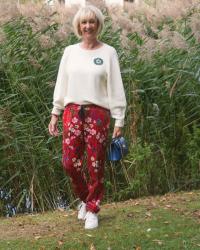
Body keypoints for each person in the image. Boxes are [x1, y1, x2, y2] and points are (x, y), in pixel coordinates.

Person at [48, 5, 126, 230]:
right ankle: (85, 199)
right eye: (84, 22)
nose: (88, 26)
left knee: (95, 164)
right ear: (78, 26)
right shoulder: (69, 52)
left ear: (98, 24)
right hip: (71, 112)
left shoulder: (108, 52)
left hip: (98, 114)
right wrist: (55, 112)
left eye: (92, 22)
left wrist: (119, 118)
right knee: (69, 163)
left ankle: (92, 209)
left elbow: (116, 87)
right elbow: (61, 84)